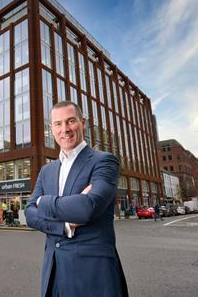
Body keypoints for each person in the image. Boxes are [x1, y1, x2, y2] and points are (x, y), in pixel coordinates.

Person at [25, 101, 128, 297]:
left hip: (92, 274)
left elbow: (86, 208)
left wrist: (43, 202)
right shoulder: (47, 170)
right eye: (58, 123)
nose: (64, 129)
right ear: (52, 128)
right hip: (53, 272)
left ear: (83, 122)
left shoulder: (103, 161)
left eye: (70, 121)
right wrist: (64, 227)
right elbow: (29, 214)